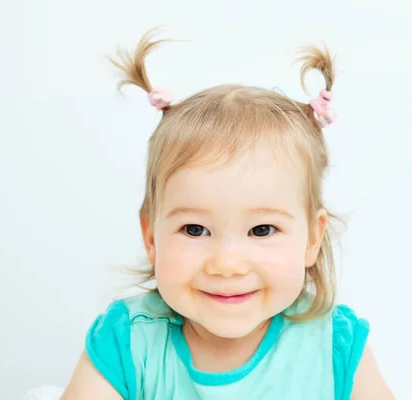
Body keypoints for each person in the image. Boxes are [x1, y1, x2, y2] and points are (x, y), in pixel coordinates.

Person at [61, 27, 394, 400]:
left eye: (263, 229)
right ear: (151, 237)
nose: (227, 263)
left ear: (312, 239)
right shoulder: (128, 341)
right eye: (195, 229)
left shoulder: (335, 345)